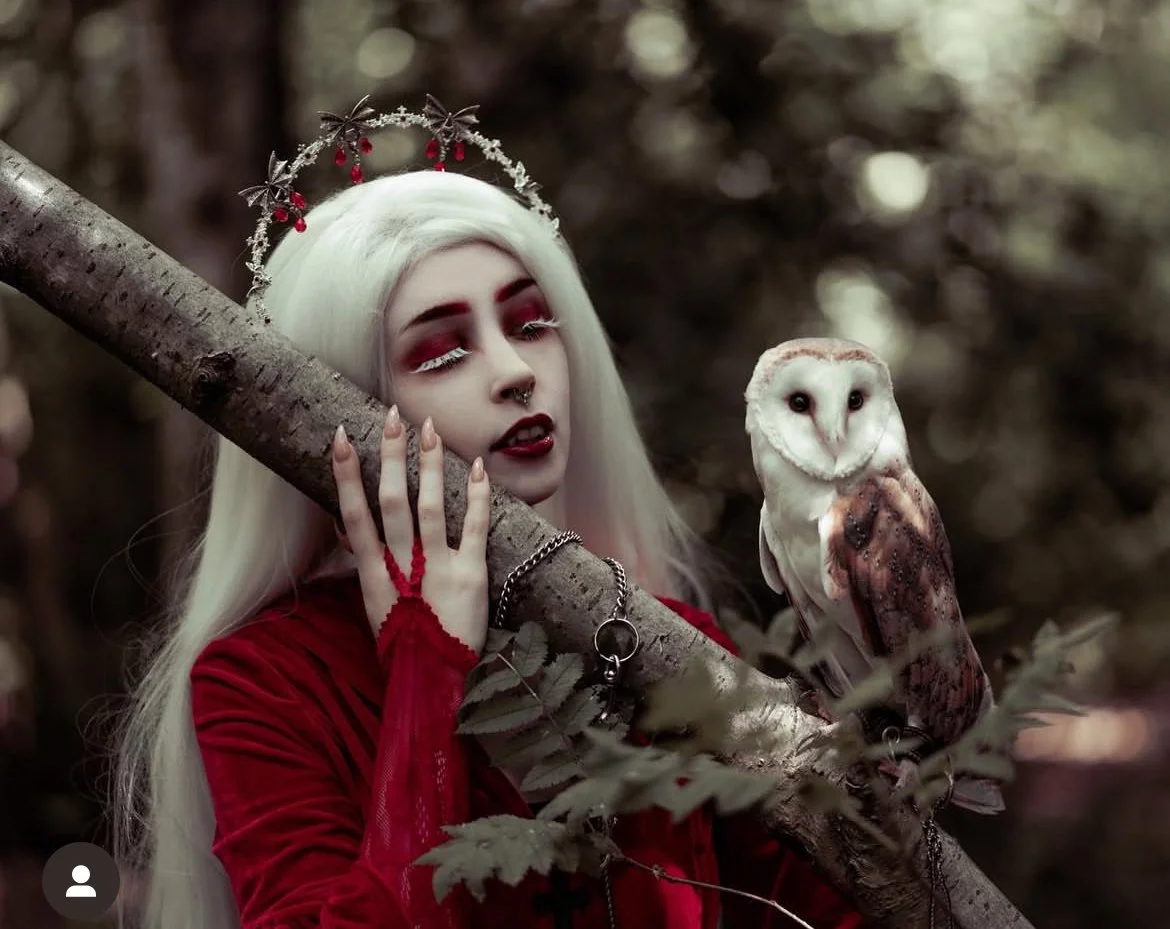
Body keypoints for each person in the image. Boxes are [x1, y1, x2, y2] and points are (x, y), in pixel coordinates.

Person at [108, 159, 869, 929]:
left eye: (531, 324)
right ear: (344, 411)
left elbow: (846, 909)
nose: (515, 372)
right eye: (441, 352)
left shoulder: (660, 642)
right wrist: (425, 663)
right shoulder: (265, 680)